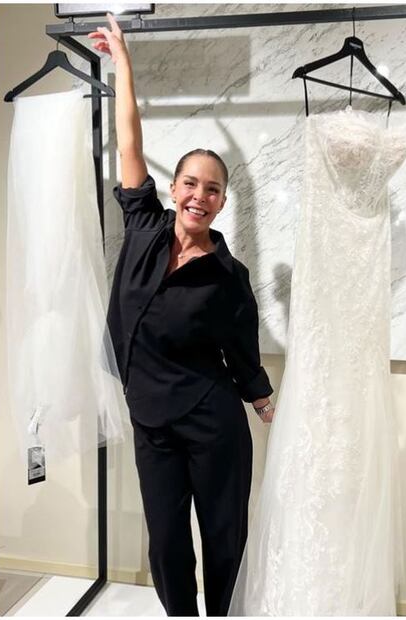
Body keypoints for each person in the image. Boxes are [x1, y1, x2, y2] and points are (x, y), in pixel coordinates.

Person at [90, 14, 274, 616]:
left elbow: (242, 351)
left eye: (213, 189)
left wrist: (263, 400)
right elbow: (129, 142)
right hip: (151, 418)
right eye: (190, 183)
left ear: (223, 202)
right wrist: (123, 64)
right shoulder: (142, 225)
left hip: (210, 418)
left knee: (224, 535)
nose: (199, 195)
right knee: (167, 543)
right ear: (175, 191)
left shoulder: (229, 276)